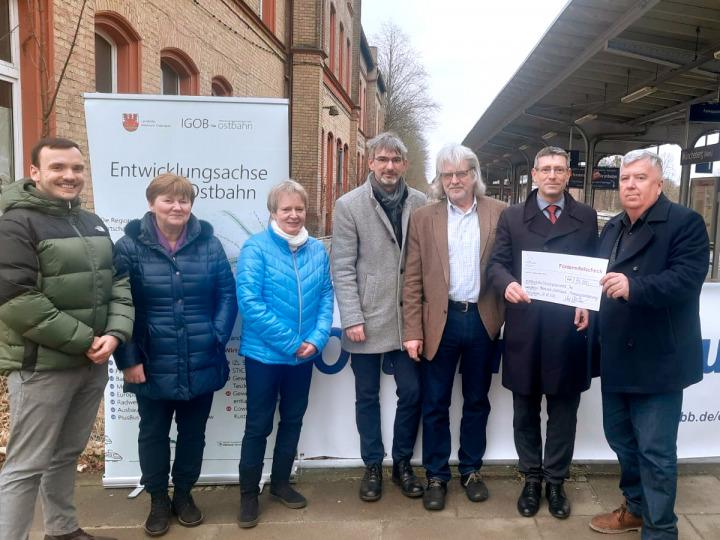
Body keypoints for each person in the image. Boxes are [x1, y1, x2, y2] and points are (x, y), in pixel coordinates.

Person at [0, 137, 134, 540]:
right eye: (58, 168)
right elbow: (16, 298)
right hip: (41, 367)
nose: (69, 176)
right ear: (36, 172)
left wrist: (114, 333)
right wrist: (85, 340)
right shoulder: (15, 223)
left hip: (89, 362)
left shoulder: (89, 221)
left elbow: (119, 282)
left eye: (76, 168)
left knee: (65, 455)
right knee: (25, 466)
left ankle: (62, 529)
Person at [589, 150, 709, 539]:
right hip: (617, 357)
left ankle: (661, 530)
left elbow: (687, 279)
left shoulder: (685, 223)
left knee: (656, 453)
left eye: (640, 178)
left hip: (658, 360)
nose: (630, 185)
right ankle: (636, 509)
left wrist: (635, 286)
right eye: (625, 179)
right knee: (621, 440)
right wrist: (584, 305)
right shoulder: (613, 228)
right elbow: (596, 277)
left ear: (659, 184)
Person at [112, 173, 237, 536]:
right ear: (152, 203)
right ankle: (157, 499)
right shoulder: (129, 246)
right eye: (168, 200)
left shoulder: (208, 244)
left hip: (202, 357)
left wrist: (215, 335)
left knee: (193, 433)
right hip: (151, 362)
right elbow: (120, 303)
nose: (177, 207)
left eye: (184, 200)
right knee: (152, 433)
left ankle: (183, 495)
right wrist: (129, 358)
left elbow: (226, 295)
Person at [487, 146, 597, 519]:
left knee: (564, 412)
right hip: (526, 328)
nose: (552, 175)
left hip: (569, 330)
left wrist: (587, 300)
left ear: (568, 176)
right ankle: (531, 479)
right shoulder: (513, 216)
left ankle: (556, 481)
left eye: (559, 169)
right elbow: (497, 264)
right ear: (534, 174)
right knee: (525, 410)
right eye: (545, 169)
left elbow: (594, 269)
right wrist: (507, 285)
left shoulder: (587, 216)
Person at [402, 144, 506, 511]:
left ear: (475, 175)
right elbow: (412, 278)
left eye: (462, 173)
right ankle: (436, 475)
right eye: (448, 175)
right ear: (439, 180)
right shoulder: (423, 218)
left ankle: (471, 470)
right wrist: (412, 330)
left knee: (477, 400)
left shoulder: (500, 213)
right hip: (438, 323)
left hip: (483, 319)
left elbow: (510, 268)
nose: (455, 180)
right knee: (435, 403)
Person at [331, 132, 427, 502]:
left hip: (410, 318)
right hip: (367, 318)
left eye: (395, 160)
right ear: (370, 162)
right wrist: (352, 316)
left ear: (404, 164)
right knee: (366, 395)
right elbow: (342, 266)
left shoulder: (420, 202)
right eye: (382, 160)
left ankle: (402, 462)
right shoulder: (349, 205)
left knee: (413, 392)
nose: (389, 167)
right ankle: (372, 464)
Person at [236, 180, 333, 528]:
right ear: (273, 212)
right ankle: (249, 494)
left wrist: (317, 339)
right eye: (285, 209)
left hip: (303, 357)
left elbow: (325, 297)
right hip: (265, 356)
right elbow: (250, 303)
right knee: (258, 425)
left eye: (298, 209)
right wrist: (292, 342)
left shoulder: (317, 251)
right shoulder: (256, 248)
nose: (293, 215)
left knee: (292, 421)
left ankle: (280, 483)